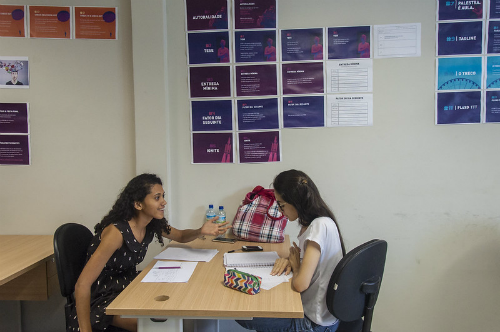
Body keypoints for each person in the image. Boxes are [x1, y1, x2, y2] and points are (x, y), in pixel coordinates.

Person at [69, 173, 231, 332]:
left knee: (173, 305)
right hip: (102, 298)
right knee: (156, 326)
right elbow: (82, 284)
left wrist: (200, 231)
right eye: (157, 198)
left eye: (163, 196)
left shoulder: (151, 224)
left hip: (127, 286)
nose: (163, 202)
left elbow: (180, 236)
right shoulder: (116, 233)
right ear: (138, 204)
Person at [236, 169, 345, 332]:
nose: (280, 211)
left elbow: (300, 284)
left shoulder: (319, 227)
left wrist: (295, 265)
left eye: (281, 205)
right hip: (316, 315)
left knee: (242, 313)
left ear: (295, 201)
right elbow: (309, 264)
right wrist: (293, 260)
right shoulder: (316, 222)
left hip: (313, 323)